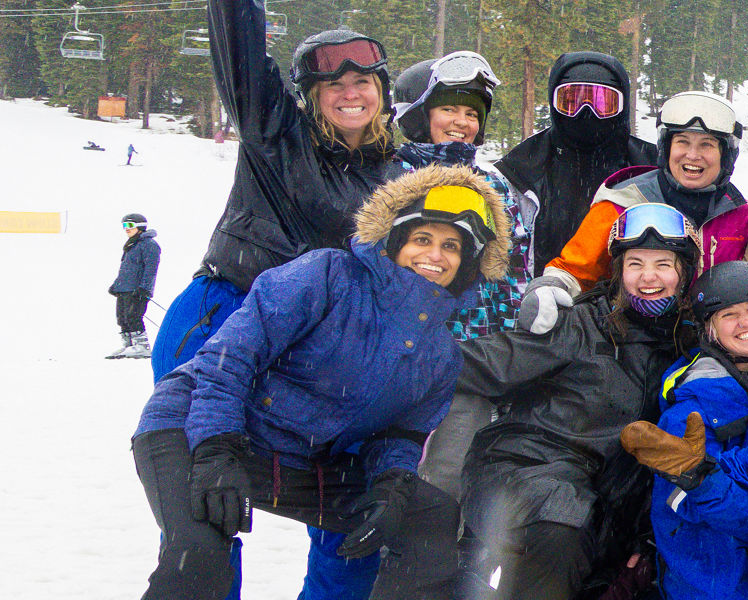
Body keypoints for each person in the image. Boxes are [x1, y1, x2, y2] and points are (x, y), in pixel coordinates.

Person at [133, 166, 506, 599]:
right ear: (396, 239)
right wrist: (215, 448)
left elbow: (400, 435)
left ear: (468, 261)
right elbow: (229, 358)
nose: (434, 255)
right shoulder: (326, 275)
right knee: (197, 557)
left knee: (429, 518)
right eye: (422, 239)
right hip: (194, 425)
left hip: (301, 461)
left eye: (451, 246)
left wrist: (390, 483)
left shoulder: (441, 356)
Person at [458, 203, 702, 600]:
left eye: (664, 264)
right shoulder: (581, 324)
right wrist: (406, 357)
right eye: (635, 263)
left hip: (602, 504)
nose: (649, 277)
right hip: (525, 474)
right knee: (562, 526)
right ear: (618, 272)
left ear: (684, 274)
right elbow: (491, 361)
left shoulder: (685, 346)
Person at [153, 1, 405, 378]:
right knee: (199, 432)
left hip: (316, 339)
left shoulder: (396, 173)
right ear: (312, 97)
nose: (350, 94)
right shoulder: (277, 133)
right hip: (226, 313)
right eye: (334, 84)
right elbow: (241, 50)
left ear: (381, 91)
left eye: (362, 83)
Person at [613, 260, 748, 600]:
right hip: (714, 580)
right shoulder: (690, 408)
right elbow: (681, 502)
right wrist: (701, 479)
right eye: (728, 314)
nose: (746, 321)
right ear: (710, 329)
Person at [525, 91, 748, 326]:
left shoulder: (742, 215)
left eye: (706, 145)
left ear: (726, 155)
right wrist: (550, 287)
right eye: (682, 142)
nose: (692, 155)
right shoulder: (622, 204)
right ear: (666, 149)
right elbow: (575, 270)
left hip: (716, 342)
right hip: (633, 340)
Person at [390, 52, 536, 342]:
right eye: (449, 108)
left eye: (472, 114)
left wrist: (513, 345)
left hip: (482, 349)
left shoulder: (493, 186)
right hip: (409, 346)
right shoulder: (391, 180)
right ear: (419, 116)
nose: (462, 122)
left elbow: (513, 275)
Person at [499, 50, 657, 271]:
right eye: (571, 102)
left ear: (622, 107)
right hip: (543, 297)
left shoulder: (650, 167)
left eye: (602, 103)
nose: (587, 112)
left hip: (631, 299)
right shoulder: (522, 168)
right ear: (553, 104)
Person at [111, 213, 160, 359]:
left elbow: (151, 269)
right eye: (124, 225)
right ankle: (129, 345)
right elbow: (127, 268)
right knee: (122, 317)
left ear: (140, 226)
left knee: (133, 316)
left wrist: (144, 288)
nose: (126, 229)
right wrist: (117, 285)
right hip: (124, 288)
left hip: (137, 289)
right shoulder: (132, 244)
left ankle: (141, 346)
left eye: (130, 225)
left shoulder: (149, 245)